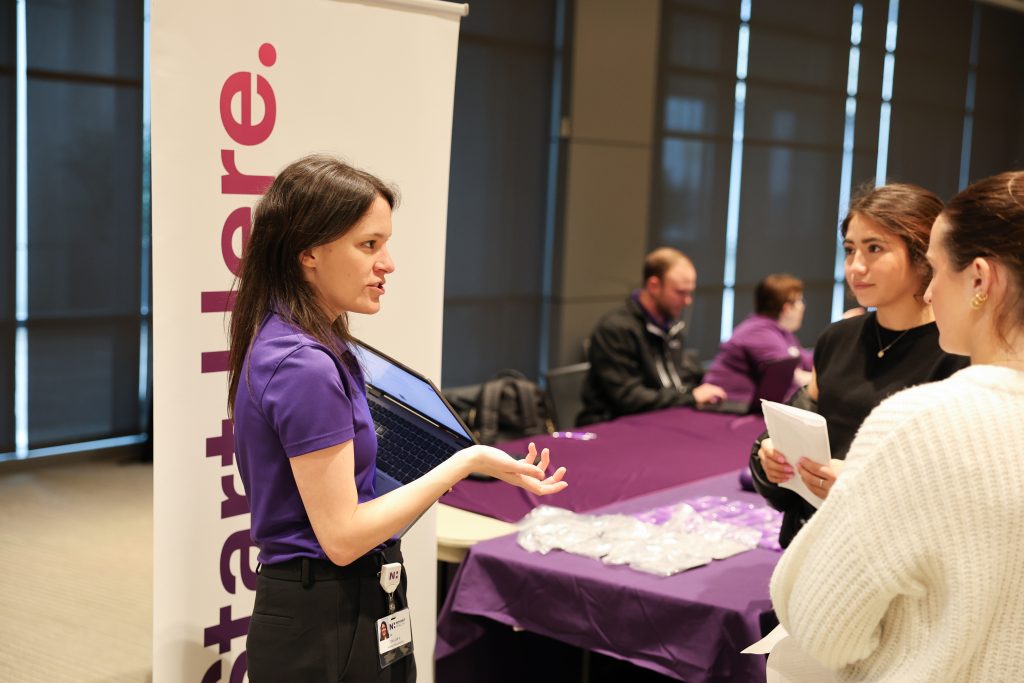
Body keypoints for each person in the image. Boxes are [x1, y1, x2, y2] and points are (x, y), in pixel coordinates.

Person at [228, 154, 568, 681]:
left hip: (341, 602)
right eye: (369, 245)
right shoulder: (302, 364)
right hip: (325, 614)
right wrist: (463, 460)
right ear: (309, 252)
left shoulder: (307, 342)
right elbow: (342, 536)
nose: (387, 263)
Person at [769, 171, 1024, 681]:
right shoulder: (842, 340)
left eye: (934, 267)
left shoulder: (924, 420)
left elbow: (824, 627)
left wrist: (856, 500)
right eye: (850, 249)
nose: (931, 291)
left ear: (979, 279)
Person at [750, 183, 968, 547]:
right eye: (850, 250)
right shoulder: (838, 338)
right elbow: (795, 426)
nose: (856, 266)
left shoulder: (957, 350)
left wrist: (862, 487)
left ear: (922, 254)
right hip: (813, 541)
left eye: (875, 248)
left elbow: (954, 484)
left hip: (896, 557)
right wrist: (770, 460)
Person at [577, 247, 726, 425]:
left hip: (663, 420)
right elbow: (630, 399)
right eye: (680, 293)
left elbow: (676, 380)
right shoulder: (615, 329)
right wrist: (690, 398)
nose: (687, 301)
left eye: (689, 292)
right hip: (613, 425)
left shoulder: (670, 327)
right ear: (654, 285)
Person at [703, 273, 814, 404]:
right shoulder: (757, 331)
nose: (803, 306)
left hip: (745, 408)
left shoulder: (781, 333)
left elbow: (808, 361)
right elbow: (786, 377)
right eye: (800, 300)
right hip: (726, 405)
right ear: (787, 308)